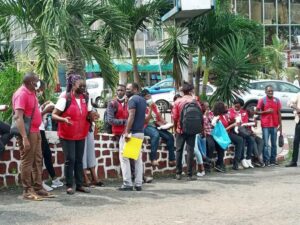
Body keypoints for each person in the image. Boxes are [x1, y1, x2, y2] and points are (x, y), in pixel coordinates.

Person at [52, 74, 96, 195]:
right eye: (80, 85)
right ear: (73, 85)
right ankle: (69, 185)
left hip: (81, 133)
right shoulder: (65, 98)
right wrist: (64, 120)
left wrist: (92, 116)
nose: (83, 87)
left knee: (79, 159)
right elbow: (54, 114)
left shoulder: (85, 98)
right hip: (66, 134)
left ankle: (80, 185)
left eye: (84, 85)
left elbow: (89, 112)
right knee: (70, 159)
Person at [12, 72, 53, 200]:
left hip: (36, 131)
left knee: (38, 160)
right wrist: (24, 138)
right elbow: (18, 117)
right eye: (36, 80)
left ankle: (38, 187)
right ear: (31, 83)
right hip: (27, 133)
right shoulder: (22, 94)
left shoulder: (32, 92)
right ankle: (27, 190)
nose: (38, 82)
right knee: (28, 161)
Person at [118, 83, 147, 191]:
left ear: (135, 89)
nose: (126, 90)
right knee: (137, 159)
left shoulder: (132, 100)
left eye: (129, 89)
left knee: (124, 157)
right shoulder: (143, 100)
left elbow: (131, 115)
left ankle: (127, 183)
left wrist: (126, 131)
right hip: (140, 132)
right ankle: (138, 183)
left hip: (132, 133)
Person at [36, 81, 63, 191]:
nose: (41, 92)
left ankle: (53, 179)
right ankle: (41, 182)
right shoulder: (30, 97)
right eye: (41, 89)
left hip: (40, 129)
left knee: (46, 155)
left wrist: (42, 106)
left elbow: (36, 113)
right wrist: (45, 111)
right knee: (42, 156)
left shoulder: (34, 98)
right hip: (37, 130)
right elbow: (33, 116)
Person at [172, 81, 202, 180]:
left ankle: (178, 173)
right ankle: (190, 174)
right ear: (190, 90)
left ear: (182, 91)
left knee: (179, 150)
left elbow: (175, 117)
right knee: (190, 151)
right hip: (192, 129)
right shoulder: (195, 101)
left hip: (180, 129)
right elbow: (200, 114)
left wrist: (176, 129)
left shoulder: (177, 102)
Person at [141, 89, 176, 167]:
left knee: (169, 136)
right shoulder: (142, 106)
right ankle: (153, 158)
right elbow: (146, 121)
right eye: (147, 96)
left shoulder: (153, 105)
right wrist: (150, 108)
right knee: (155, 135)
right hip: (146, 126)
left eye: (150, 96)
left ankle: (172, 159)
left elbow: (159, 117)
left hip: (155, 126)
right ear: (143, 98)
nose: (150, 98)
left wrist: (167, 124)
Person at [212, 101, 244, 170]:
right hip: (221, 136)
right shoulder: (216, 118)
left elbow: (227, 123)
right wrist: (233, 125)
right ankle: (219, 164)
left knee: (240, 140)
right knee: (222, 146)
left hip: (227, 134)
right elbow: (221, 131)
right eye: (225, 107)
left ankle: (236, 163)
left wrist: (234, 122)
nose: (227, 108)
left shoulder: (223, 116)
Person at [255, 85, 282, 166]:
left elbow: (279, 113)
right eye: (269, 91)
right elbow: (256, 112)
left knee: (274, 144)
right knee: (266, 144)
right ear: (265, 92)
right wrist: (265, 112)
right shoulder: (262, 100)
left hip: (274, 124)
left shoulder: (277, 100)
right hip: (265, 125)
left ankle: (273, 160)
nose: (271, 92)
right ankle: (266, 160)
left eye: (272, 91)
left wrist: (280, 126)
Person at [228, 98, 255, 169]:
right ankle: (241, 159)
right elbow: (227, 122)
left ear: (241, 106)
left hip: (242, 130)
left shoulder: (244, 112)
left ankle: (248, 158)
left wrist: (241, 123)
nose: (236, 108)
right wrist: (233, 121)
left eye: (238, 107)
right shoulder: (229, 111)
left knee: (251, 139)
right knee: (241, 139)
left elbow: (245, 123)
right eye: (235, 106)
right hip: (232, 131)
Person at [82, 108, 104, 187]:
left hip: (89, 126)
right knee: (83, 154)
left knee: (91, 153)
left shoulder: (87, 101)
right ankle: (85, 178)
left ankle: (94, 178)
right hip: (81, 126)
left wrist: (94, 116)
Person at [285, 91, 300, 167]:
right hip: (299, 122)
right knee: (296, 141)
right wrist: (297, 108)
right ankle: (294, 161)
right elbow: (289, 103)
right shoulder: (298, 95)